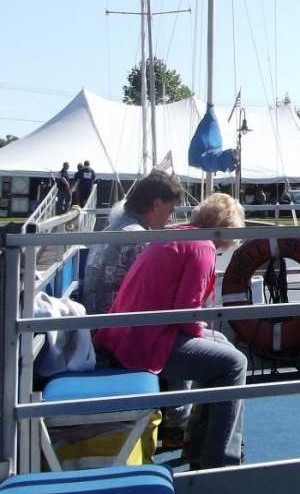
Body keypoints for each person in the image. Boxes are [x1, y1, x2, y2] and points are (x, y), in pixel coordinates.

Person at [95, 193, 247, 469]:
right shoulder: (202, 248)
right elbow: (186, 312)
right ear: (226, 228)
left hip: (128, 334)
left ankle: (198, 444)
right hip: (146, 343)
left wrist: (206, 335)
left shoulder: (177, 236)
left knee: (221, 346)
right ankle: (219, 460)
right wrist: (202, 333)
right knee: (234, 363)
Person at [81, 168, 183, 316]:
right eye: (170, 210)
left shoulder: (112, 228)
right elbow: (155, 293)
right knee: (216, 338)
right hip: (119, 329)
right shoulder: (139, 239)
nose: (169, 218)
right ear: (157, 204)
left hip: (98, 322)